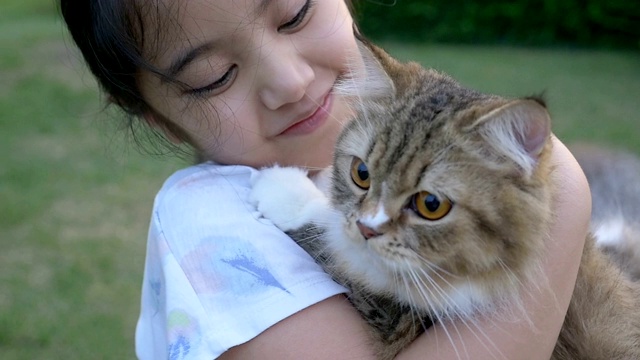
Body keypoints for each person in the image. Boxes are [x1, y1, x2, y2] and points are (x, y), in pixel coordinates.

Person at [60, 0, 591, 359]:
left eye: (293, 14)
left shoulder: (392, 123)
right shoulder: (201, 222)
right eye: (213, 77)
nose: (290, 83)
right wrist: (567, 201)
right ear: (160, 118)